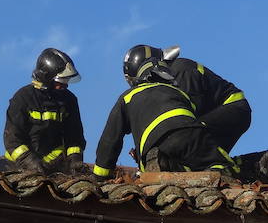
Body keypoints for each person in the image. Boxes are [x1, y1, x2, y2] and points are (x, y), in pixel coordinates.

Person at [93, 54, 239, 179]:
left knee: (170, 163)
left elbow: (110, 139)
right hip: (189, 132)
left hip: (154, 142)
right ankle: (221, 172)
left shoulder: (128, 97)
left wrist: (101, 175)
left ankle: (161, 162)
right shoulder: (177, 91)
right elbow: (193, 114)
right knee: (220, 166)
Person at [122, 45, 250, 152]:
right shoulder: (168, 76)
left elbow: (188, 112)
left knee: (188, 135)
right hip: (212, 114)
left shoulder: (179, 69)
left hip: (233, 108)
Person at [3, 48, 86, 174]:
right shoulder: (22, 98)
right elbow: (12, 140)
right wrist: (30, 162)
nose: (65, 86)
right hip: (18, 167)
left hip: (56, 167)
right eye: (60, 82)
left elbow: (74, 138)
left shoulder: (69, 100)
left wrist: (75, 161)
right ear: (46, 78)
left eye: (66, 82)